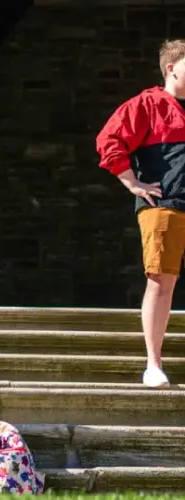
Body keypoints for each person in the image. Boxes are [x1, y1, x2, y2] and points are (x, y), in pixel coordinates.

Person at [96, 39, 185, 388]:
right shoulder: (147, 105)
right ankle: (154, 363)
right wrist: (132, 182)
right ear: (171, 67)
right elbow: (109, 140)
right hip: (165, 204)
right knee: (161, 281)